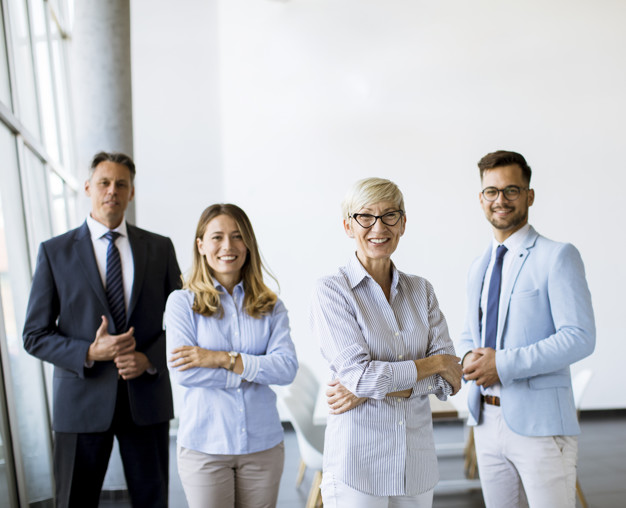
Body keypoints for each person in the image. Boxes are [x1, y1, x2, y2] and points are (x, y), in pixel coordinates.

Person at [23, 151, 181, 508]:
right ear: (88, 188)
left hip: (146, 400)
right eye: (104, 183)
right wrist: (89, 352)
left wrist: (148, 359)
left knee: (153, 500)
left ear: (132, 192)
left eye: (121, 184)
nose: (112, 190)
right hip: (80, 402)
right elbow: (34, 335)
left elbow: (185, 326)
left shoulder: (159, 248)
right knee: (74, 500)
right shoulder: (54, 252)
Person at [310, 177, 462, 507]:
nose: (378, 227)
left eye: (389, 215)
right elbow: (363, 377)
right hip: (358, 466)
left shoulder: (422, 290)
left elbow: (449, 383)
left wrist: (369, 388)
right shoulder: (331, 291)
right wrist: (433, 364)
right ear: (348, 225)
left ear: (403, 223)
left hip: (416, 465)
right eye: (365, 216)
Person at [458, 150, 595, 508]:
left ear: (529, 196)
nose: (500, 200)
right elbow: (470, 334)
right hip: (486, 421)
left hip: (541, 427)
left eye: (511, 190)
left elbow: (579, 337)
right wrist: (467, 358)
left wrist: (501, 364)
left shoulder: (558, 256)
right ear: (481, 198)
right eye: (491, 191)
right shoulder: (479, 266)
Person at [165, 203, 298, 508]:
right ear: (201, 245)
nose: (228, 246)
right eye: (217, 237)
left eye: (237, 236)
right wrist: (254, 368)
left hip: (263, 447)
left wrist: (222, 358)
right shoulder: (181, 304)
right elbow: (185, 372)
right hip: (204, 448)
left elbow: (286, 369)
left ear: (248, 244)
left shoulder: (271, 305)